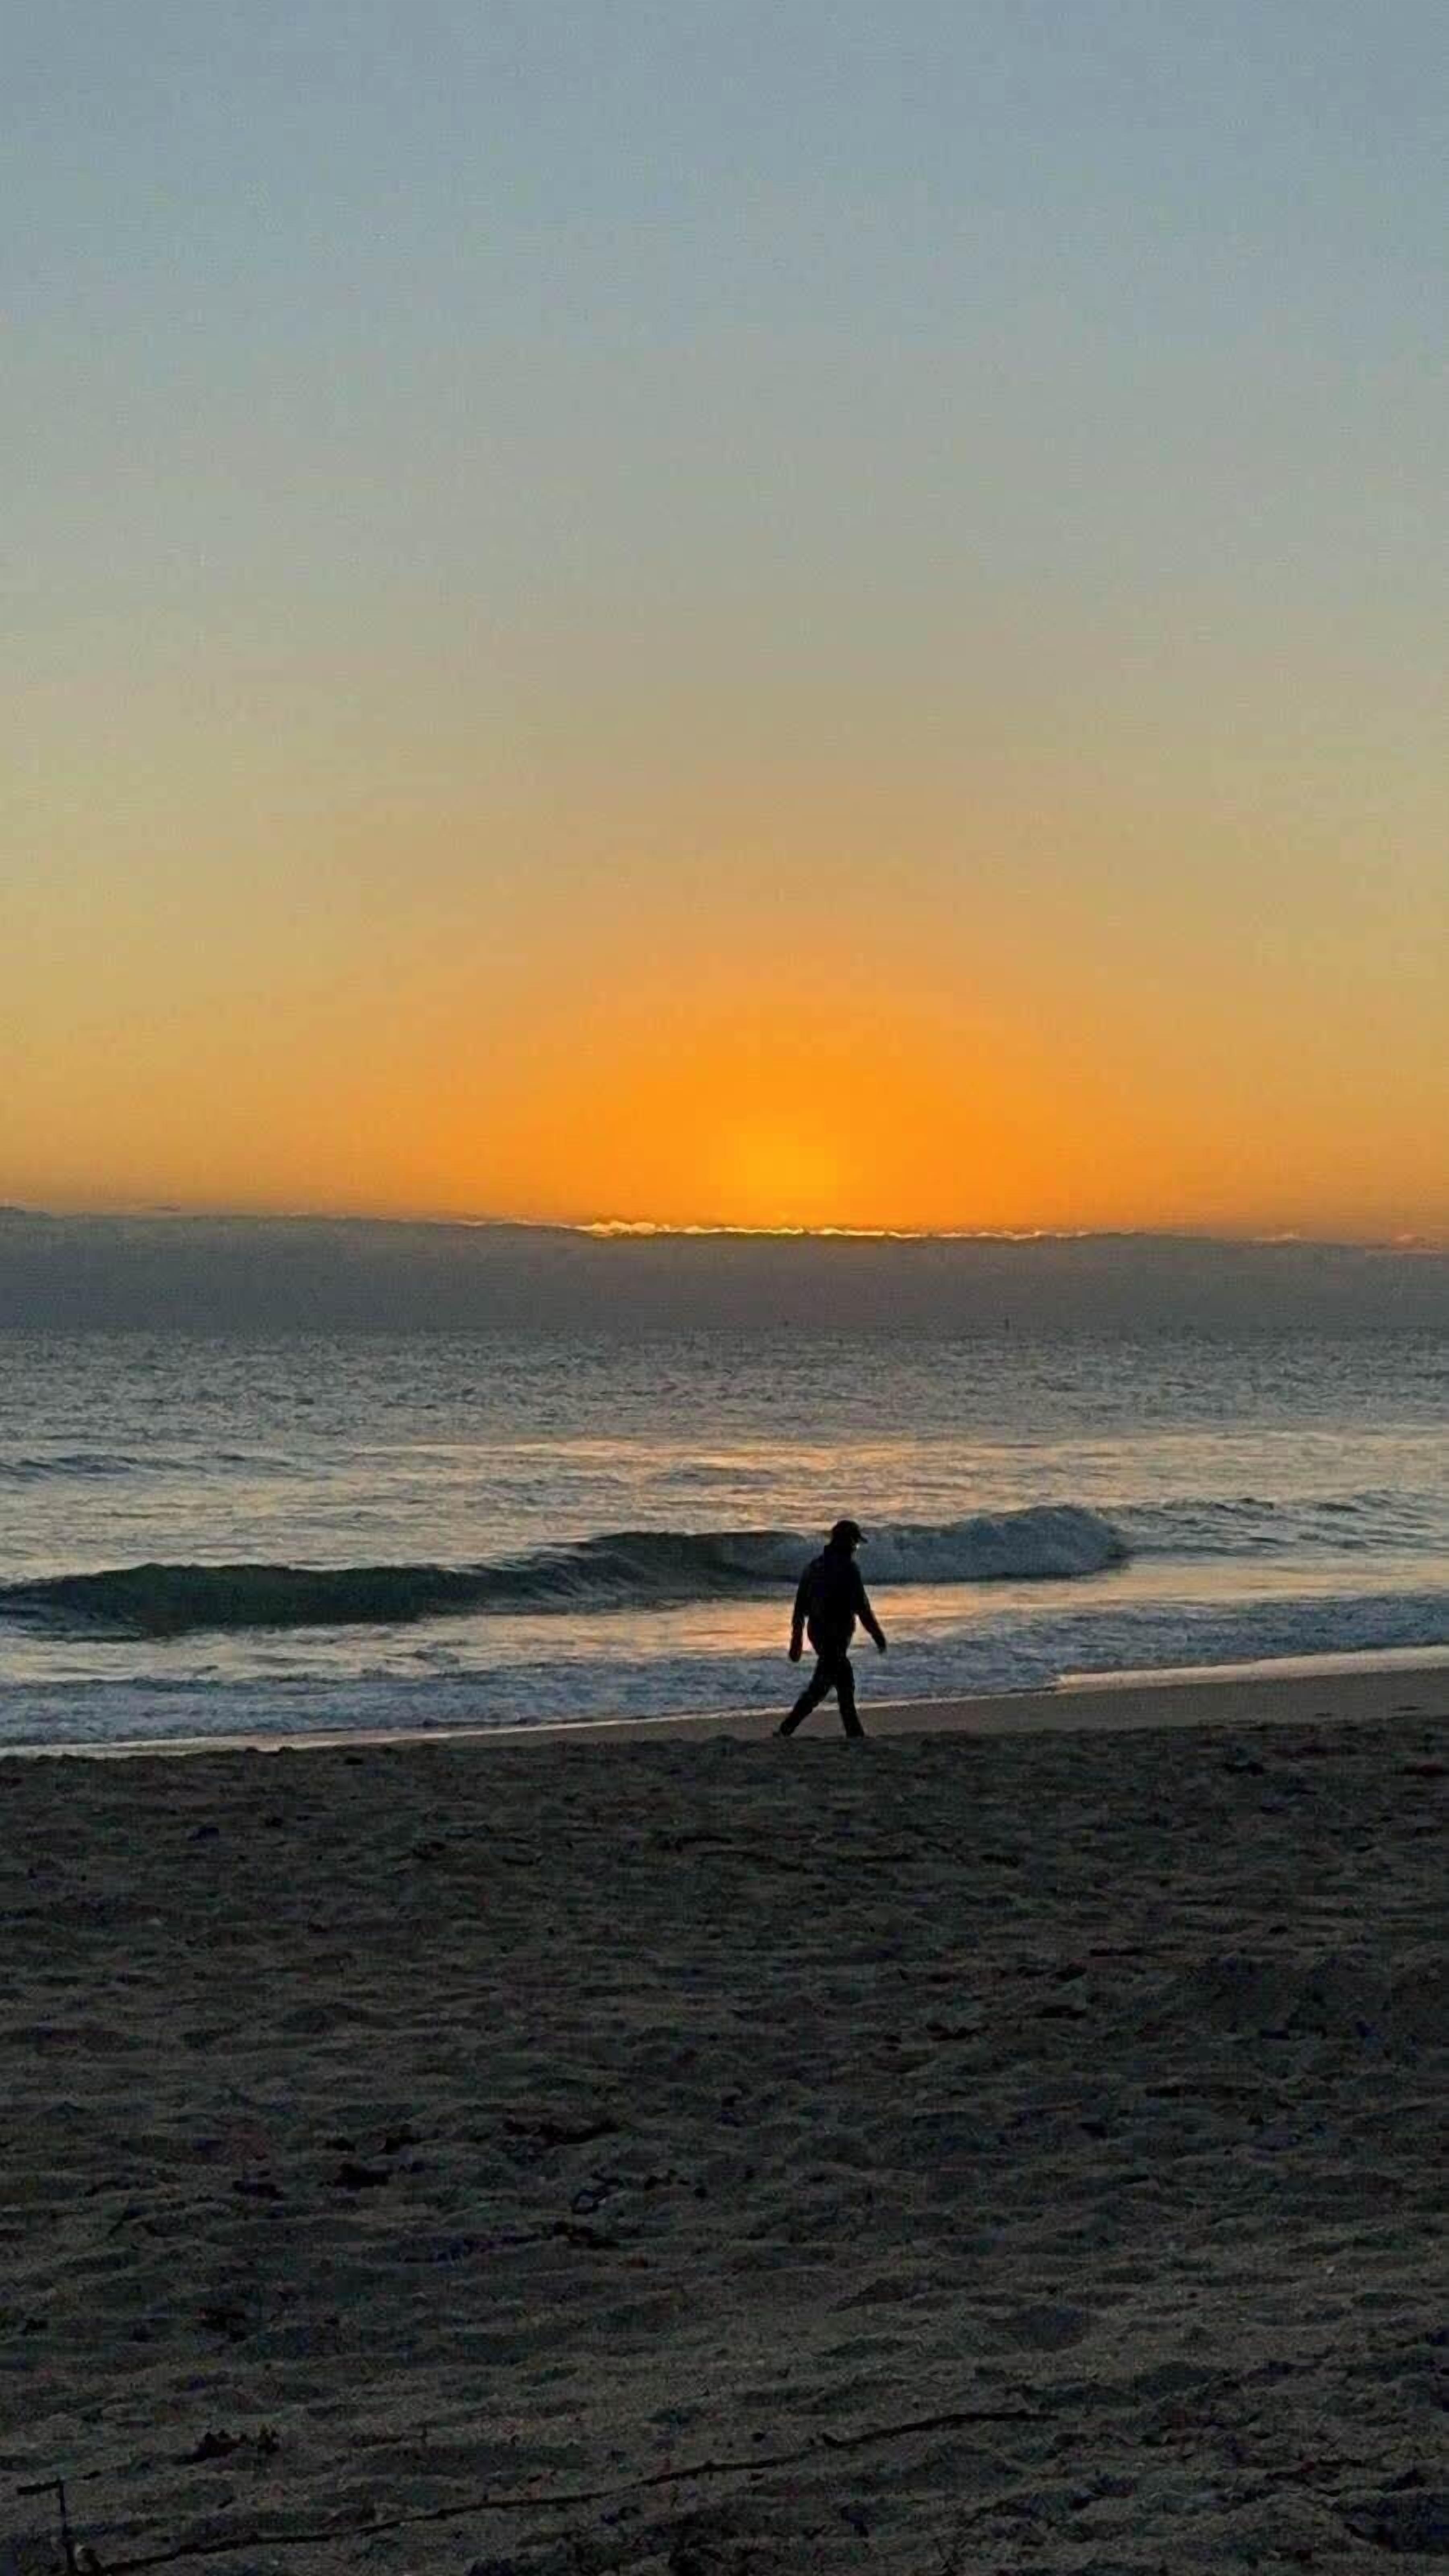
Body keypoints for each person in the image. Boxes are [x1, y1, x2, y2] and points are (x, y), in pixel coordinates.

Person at [777, 1518, 887, 1738]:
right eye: (855, 1543)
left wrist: (797, 1640)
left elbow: (799, 1609)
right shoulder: (848, 1569)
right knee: (839, 1683)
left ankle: (788, 1730)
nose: (855, 1549)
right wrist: (877, 1635)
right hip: (834, 1635)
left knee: (827, 1685)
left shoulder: (814, 1567)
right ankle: (853, 1734)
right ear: (846, 1542)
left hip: (818, 1634)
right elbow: (862, 1607)